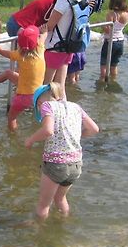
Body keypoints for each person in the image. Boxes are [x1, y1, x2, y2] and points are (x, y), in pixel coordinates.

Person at [25, 82, 99, 220]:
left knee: (43, 205)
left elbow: (48, 130)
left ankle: (39, 233)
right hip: (76, 164)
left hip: (56, 163)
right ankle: (63, 224)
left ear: (40, 101)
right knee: (60, 198)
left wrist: (31, 139)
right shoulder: (76, 107)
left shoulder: (47, 105)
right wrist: (76, 135)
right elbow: (94, 129)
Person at [0, 25, 46, 130]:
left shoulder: (19, 55)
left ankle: (12, 134)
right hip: (39, 93)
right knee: (9, 73)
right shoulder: (40, 50)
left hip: (23, 96)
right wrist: (44, 31)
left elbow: (1, 51)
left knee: (11, 117)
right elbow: (43, 36)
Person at [42, 0, 85, 98]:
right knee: (60, 88)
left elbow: (50, 25)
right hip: (69, 47)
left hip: (54, 47)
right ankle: (64, 114)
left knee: (45, 87)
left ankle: (40, 116)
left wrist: (33, 31)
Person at [99, 0, 128, 80]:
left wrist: (101, 25)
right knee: (114, 64)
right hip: (120, 41)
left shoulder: (111, 14)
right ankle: (114, 80)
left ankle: (102, 81)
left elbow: (108, 30)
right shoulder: (126, 15)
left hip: (110, 42)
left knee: (104, 64)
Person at [67, 0, 92, 84]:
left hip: (75, 25)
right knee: (78, 61)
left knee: (71, 67)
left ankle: (71, 91)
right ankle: (76, 83)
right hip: (83, 25)